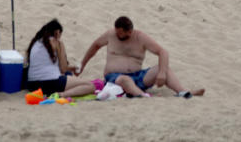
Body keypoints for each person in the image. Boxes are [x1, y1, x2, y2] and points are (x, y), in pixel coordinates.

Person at [76, 16, 204, 99]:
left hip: (137, 76)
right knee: (125, 79)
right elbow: (95, 46)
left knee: (162, 68)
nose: (118, 35)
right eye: (117, 32)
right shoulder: (111, 35)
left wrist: (162, 73)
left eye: (121, 33)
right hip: (115, 77)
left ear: (130, 31)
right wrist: (82, 65)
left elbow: (163, 52)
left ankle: (182, 92)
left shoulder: (140, 37)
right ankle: (142, 96)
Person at [24, 19, 97, 98]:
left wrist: (71, 69)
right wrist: (73, 68)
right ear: (57, 32)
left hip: (32, 85)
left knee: (68, 75)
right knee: (90, 86)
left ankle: (62, 91)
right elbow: (63, 68)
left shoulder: (35, 42)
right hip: (50, 82)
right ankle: (61, 95)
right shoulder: (57, 42)